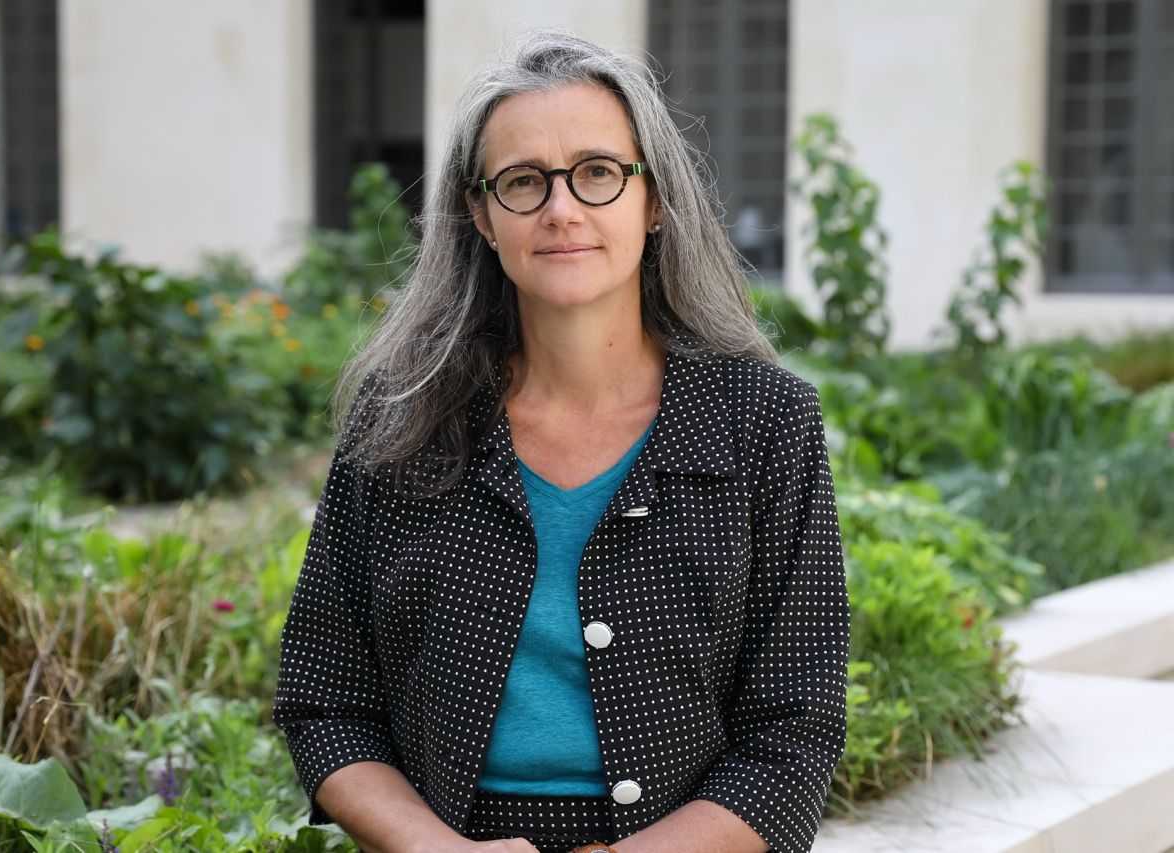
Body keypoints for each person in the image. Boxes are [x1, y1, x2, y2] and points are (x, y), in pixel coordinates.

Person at [273, 30, 849, 853]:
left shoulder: (763, 424)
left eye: (598, 172)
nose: (561, 209)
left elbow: (795, 732)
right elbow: (325, 701)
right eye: (522, 181)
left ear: (654, 200)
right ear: (480, 215)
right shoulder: (401, 420)